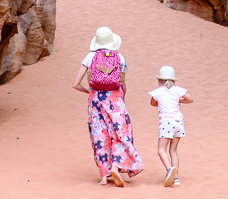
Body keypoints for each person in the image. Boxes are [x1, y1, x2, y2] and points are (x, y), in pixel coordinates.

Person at [72, 26, 143, 185]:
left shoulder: (90, 57)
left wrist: (89, 92)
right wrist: (122, 99)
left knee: (99, 135)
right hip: (115, 99)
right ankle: (116, 167)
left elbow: (75, 84)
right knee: (118, 133)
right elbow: (123, 84)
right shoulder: (120, 57)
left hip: (95, 100)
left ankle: (104, 176)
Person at [149, 65, 192, 187]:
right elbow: (190, 99)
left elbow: (152, 103)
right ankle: (176, 177)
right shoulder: (178, 90)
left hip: (166, 123)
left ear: (160, 80)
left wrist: (162, 102)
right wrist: (178, 101)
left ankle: (169, 170)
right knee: (173, 151)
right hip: (178, 123)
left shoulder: (158, 92)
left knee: (161, 150)